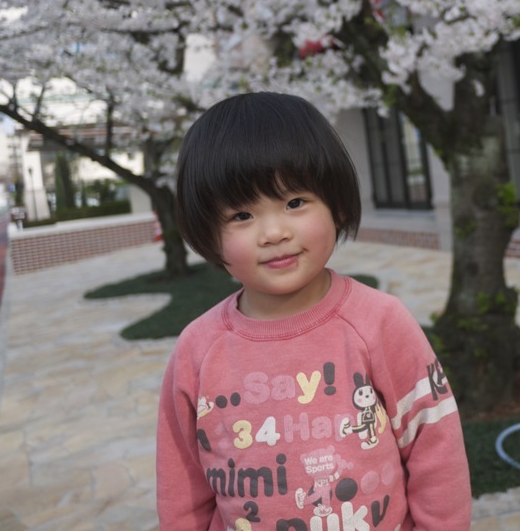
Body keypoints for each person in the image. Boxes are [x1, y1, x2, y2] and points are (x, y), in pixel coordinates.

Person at [156, 92, 471, 531]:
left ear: (336, 204)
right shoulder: (198, 349)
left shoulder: (378, 322)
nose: (274, 232)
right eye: (242, 215)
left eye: (294, 203)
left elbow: (434, 443)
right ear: (208, 233)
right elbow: (182, 484)